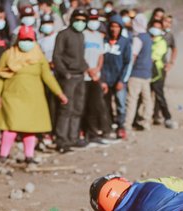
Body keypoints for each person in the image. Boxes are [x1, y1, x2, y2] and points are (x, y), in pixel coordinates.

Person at [0, 25, 68, 163]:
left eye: (29, 39)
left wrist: (59, 93)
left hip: (33, 98)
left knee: (30, 128)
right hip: (12, 97)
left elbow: (48, 77)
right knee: (10, 127)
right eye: (23, 39)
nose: (26, 42)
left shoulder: (38, 56)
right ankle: (3, 155)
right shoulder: (8, 55)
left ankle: (29, 156)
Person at [53, 8, 89, 152]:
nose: (80, 22)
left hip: (80, 76)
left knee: (78, 108)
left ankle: (73, 137)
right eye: (78, 19)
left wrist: (85, 67)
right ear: (72, 19)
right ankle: (62, 140)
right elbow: (57, 56)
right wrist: (64, 72)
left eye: (83, 20)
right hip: (68, 78)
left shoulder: (81, 36)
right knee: (66, 109)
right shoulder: (63, 35)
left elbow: (80, 56)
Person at [83, 8, 116, 145]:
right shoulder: (82, 35)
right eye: (91, 19)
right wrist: (88, 69)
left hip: (96, 76)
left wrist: (97, 69)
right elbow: (79, 55)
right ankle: (84, 133)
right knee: (83, 106)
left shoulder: (98, 36)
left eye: (95, 19)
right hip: (83, 76)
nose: (93, 22)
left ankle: (94, 133)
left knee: (95, 105)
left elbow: (101, 55)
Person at [101, 15, 132, 140]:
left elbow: (127, 62)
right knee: (106, 104)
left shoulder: (125, 42)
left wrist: (122, 80)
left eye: (117, 27)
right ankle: (107, 126)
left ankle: (120, 126)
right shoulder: (104, 41)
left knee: (120, 104)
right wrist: (102, 80)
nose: (114, 29)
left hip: (119, 79)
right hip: (105, 79)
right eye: (112, 26)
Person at [124, 14, 154, 133]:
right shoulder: (147, 37)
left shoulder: (138, 38)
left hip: (136, 74)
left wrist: (126, 73)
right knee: (147, 100)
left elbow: (133, 57)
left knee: (132, 100)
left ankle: (127, 124)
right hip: (146, 73)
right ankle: (146, 122)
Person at [149, 20, 177, 130]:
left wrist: (170, 63)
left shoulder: (162, 41)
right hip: (145, 71)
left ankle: (167, 117)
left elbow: (156, 55)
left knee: (159, 95)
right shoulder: (146, 39)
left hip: (157, 71)